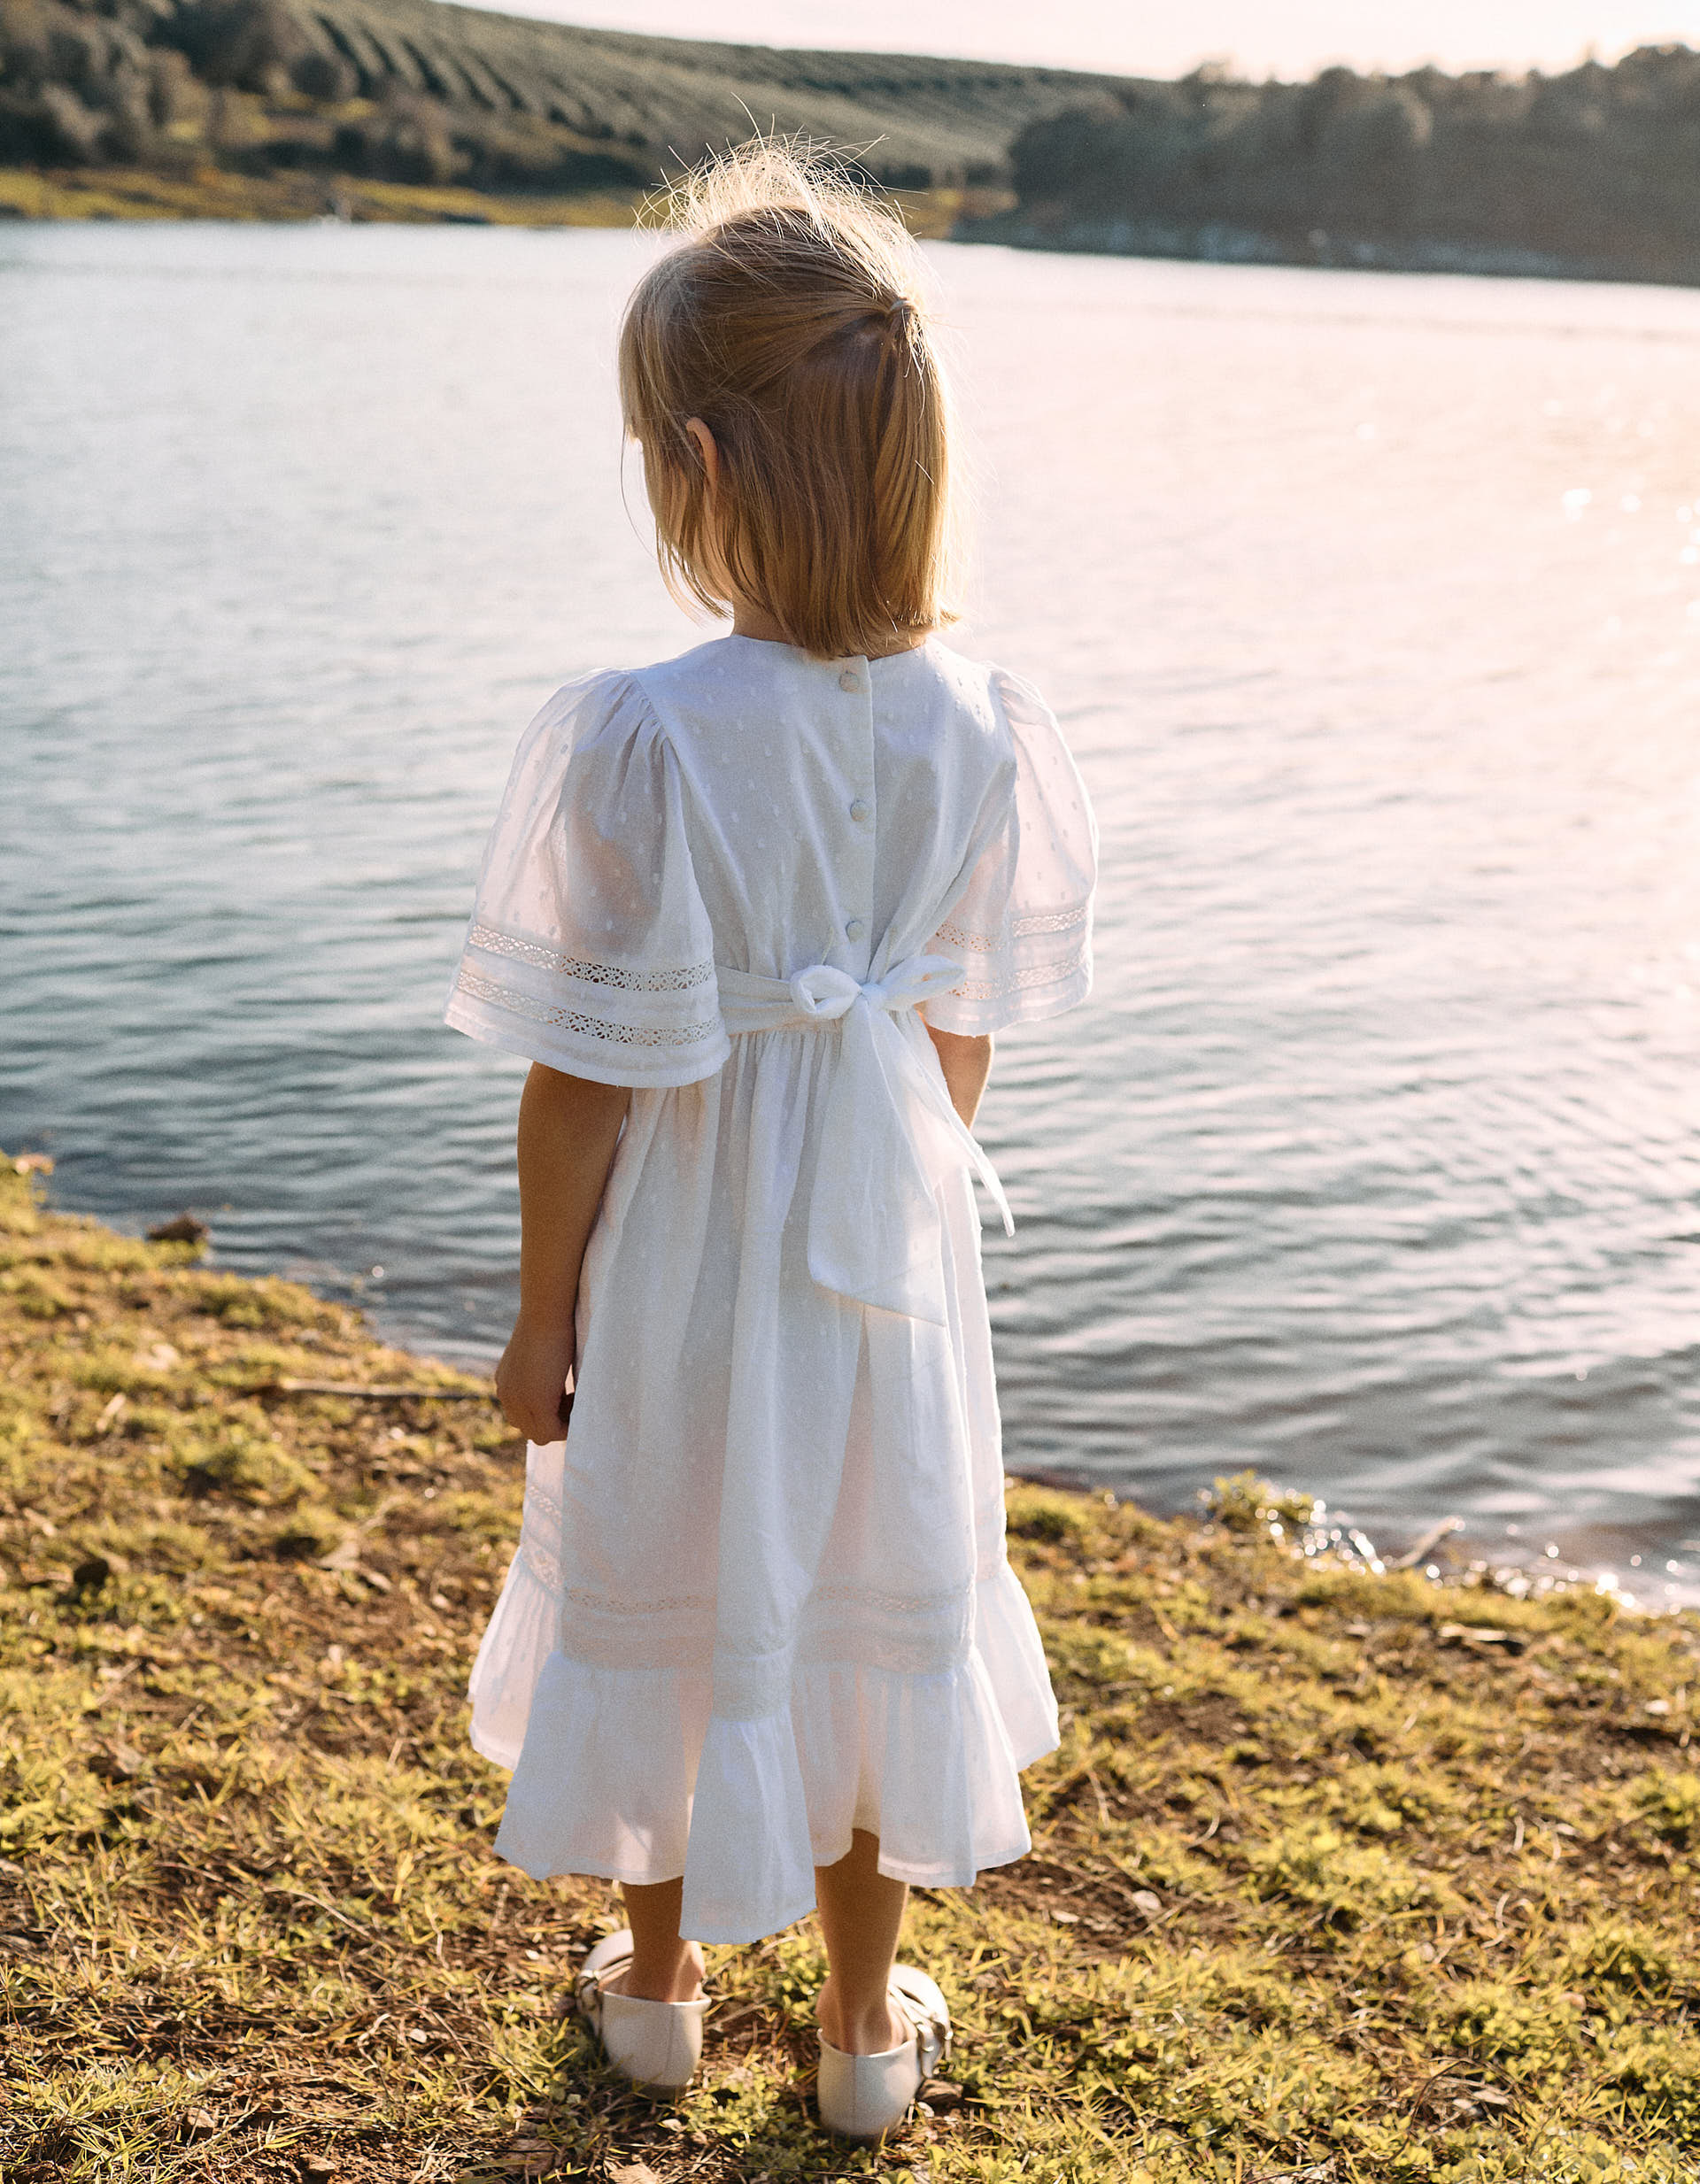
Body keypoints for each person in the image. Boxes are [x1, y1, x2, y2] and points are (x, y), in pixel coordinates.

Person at [444, 141, 1097, 2142]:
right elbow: (958, 1033)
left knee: (669, 1553)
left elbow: (581, 1069)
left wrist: (543, 1309)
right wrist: (895, 1185)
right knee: (861, 1571)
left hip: (680, 1255)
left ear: (704, 470)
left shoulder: (649, 729)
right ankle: (857, 2033)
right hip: (884, 1256)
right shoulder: (985, 724)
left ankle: (655, 1987)